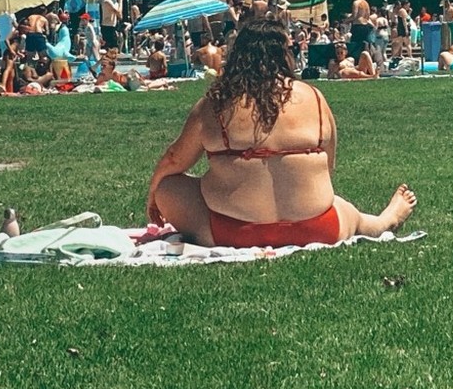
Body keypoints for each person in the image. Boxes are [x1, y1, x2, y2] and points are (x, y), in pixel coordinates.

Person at [147, 16, 417, 247]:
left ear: (238, 55)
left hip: (233, 232)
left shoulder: (216, 104)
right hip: (319, 228)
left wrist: (154, 190)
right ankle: (383, 221)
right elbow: (328, 168)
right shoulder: (314, 97)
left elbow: (174, 159)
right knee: (344, 209)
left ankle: (380, 220)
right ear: (284, 55)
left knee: (169, 187)